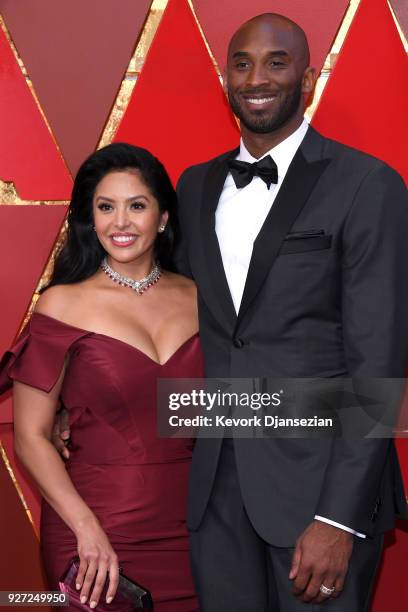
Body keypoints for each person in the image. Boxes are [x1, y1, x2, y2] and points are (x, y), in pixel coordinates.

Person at [175, 12, 408, 612]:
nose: (257, 77)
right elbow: (172, 321)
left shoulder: (367, 184)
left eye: (277, 62)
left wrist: (339, 517)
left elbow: (377, 359)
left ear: (307, 77)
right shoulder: (195, 187)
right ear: (225, 76)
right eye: (243, 63)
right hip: (216, 496)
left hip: (319, 495)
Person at [0, 143, 202, 611]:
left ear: (164, 217)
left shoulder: (200, 298)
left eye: (137, 205)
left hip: (194, 530)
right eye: (106, 207)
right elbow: (30, 436)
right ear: (91, 219)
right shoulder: (62, 304)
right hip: (95, 531)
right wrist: (85, 528)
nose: (121, 222)